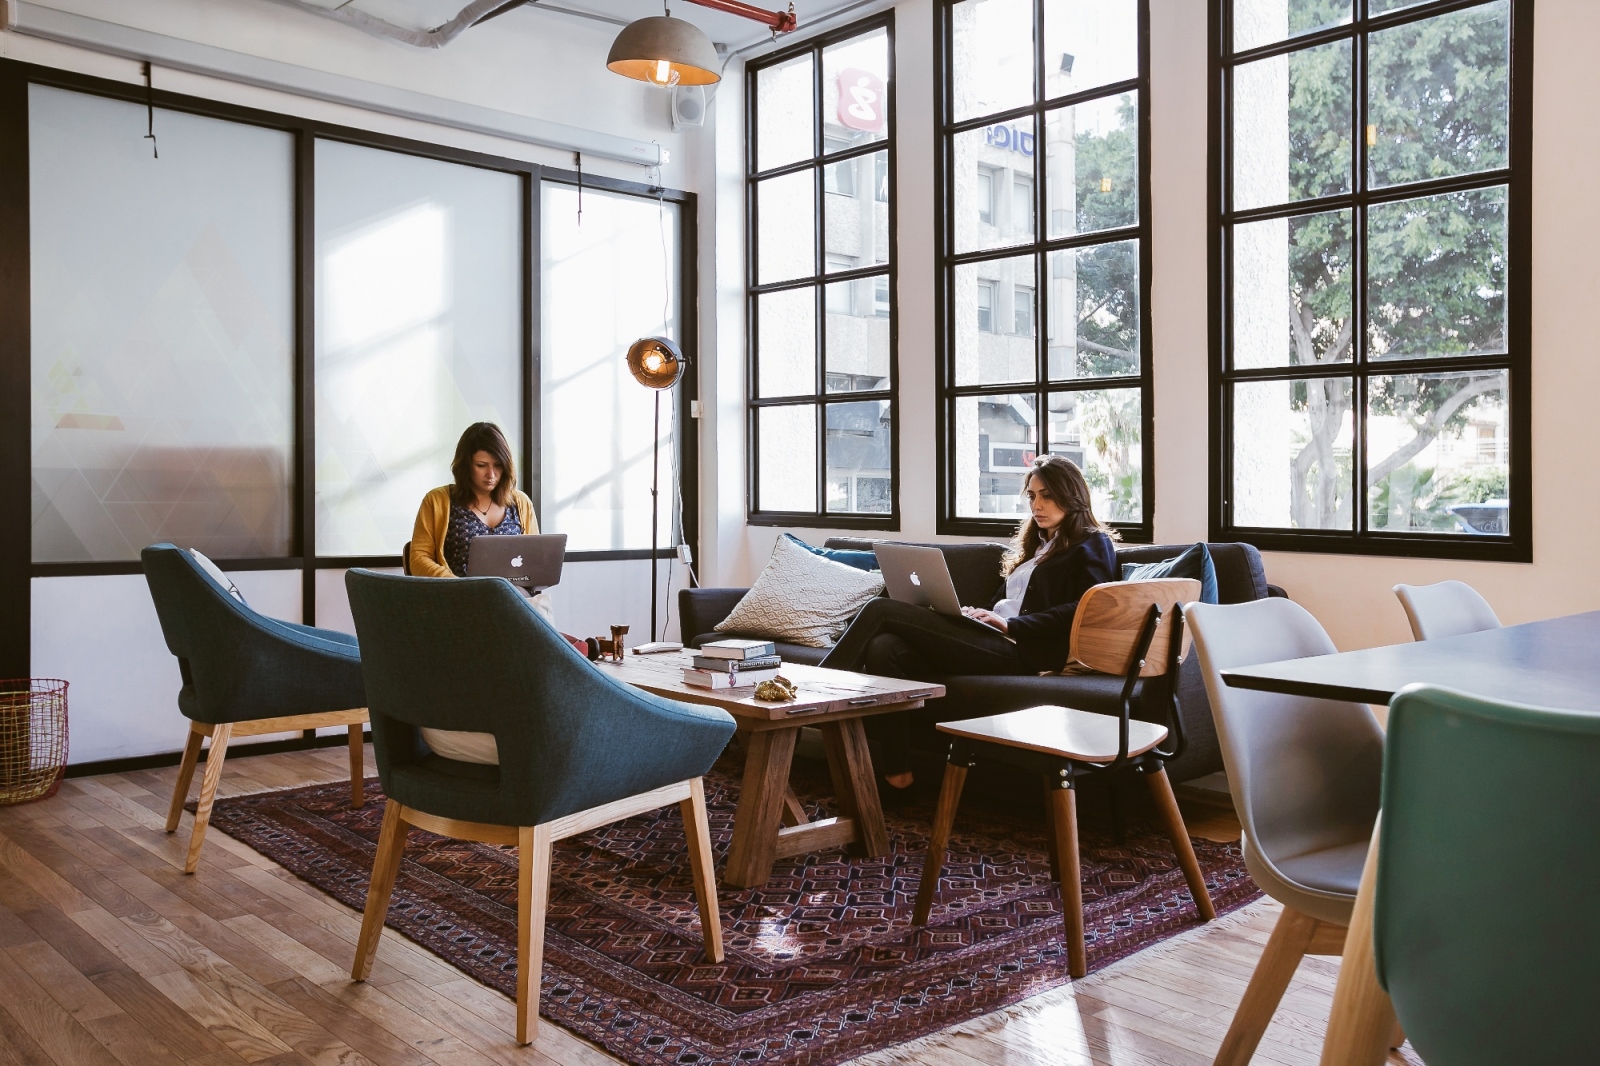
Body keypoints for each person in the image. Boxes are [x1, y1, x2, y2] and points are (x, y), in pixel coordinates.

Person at [819, 454, 1120, 791]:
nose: (1037, 504)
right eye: (1033, 496)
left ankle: (811, 694)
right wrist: (977, 614)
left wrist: (1012, 626)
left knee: (880, 610)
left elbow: (1087, 607)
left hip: (1022, 650)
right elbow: (1008, 603)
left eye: (1047, 495)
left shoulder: (1093, 543)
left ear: (1071, 495)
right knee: (884, 648)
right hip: (991, 638)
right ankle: (898, 776)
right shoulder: (1037, 547)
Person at [409, 422, 539, 580]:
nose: (491, 474)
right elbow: (419, 559)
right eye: (481, 465)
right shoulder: (437, 500)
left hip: (512, 593)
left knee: (528, 602)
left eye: (498, 466)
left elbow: (534, 560)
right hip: (458, 594)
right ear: (465, 466)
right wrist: (453, 583)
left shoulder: (521, 502)